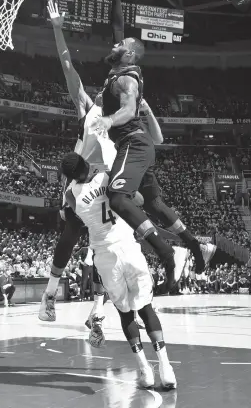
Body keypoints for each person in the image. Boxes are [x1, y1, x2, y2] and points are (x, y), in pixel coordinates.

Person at [39, 0, 189, 322]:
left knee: (116, 238)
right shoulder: (88, 108)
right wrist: (57, 29)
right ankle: (49, 294)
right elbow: (67, 65)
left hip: (107, 177)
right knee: (74, 229)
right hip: (81, 181)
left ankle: (100, 308)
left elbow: (140, 122)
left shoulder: (120, 105)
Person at [90, 0, 215, 274]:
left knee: (118, 197)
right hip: (136, 144)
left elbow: (129, 111)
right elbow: (116, 27)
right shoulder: (118, 69)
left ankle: (166, 251)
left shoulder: (127, 79)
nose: (115, 44)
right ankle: (197, 247)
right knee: (154, 204)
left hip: (133, 141)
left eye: (121, 46)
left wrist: (107, 121)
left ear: (129, 55)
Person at [56, 150, 177, 390]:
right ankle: (166, 368)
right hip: (129, 248)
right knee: (146, 309)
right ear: (86, 164)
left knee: (126, 314)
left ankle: (144, 370)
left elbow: (73, 219)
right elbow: (140, 201)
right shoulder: (109, 176)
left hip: (104, 256)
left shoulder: (70, 194)